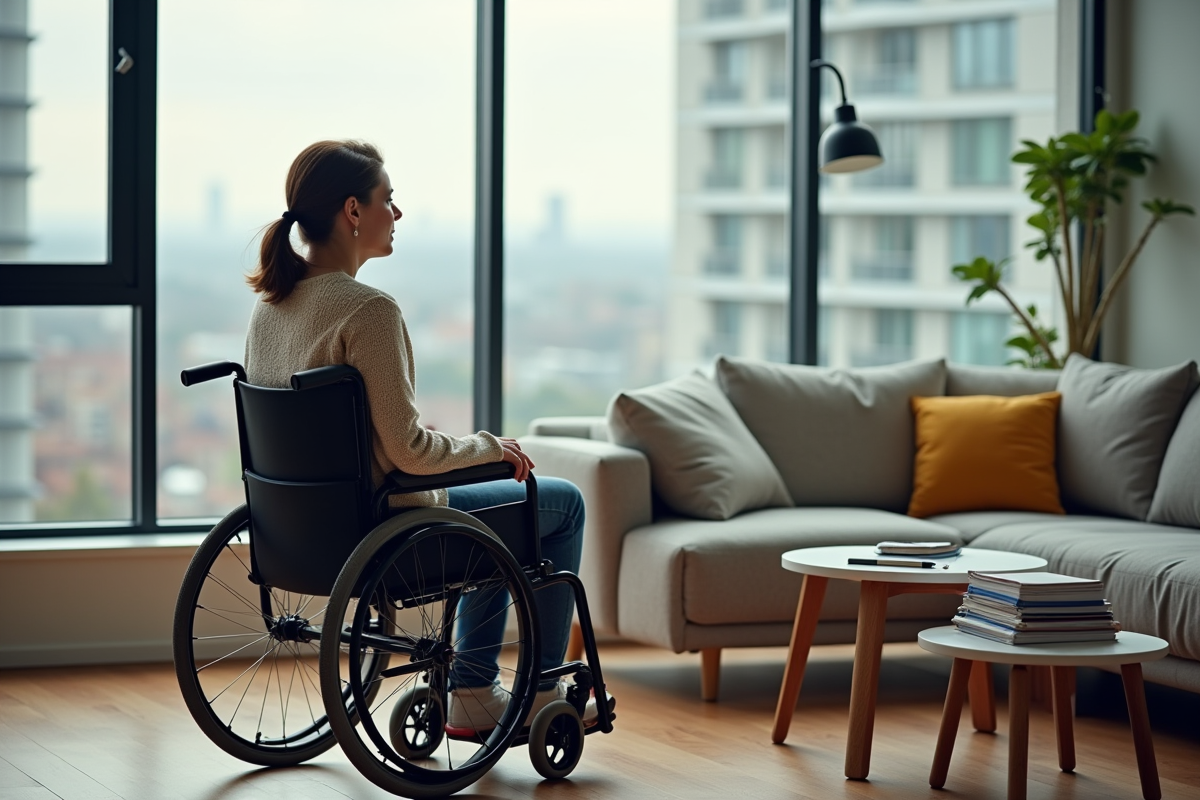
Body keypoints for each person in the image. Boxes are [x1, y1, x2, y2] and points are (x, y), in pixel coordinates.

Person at [242, 140, 591, 731]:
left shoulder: (271, 306)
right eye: (389, 200)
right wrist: (489, 448)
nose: (397, 214)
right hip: (391, 528)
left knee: (496, 510)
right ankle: (504, 692)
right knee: (559, 502)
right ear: (353, 211)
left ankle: (476, 688)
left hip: (302, 533)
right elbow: (408, 452)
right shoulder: (368, 310)